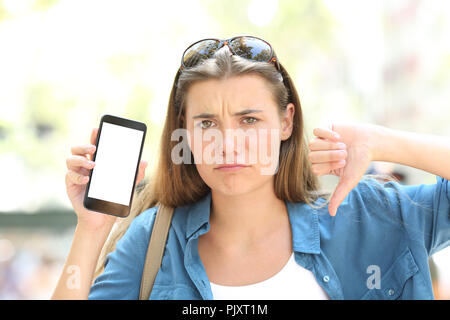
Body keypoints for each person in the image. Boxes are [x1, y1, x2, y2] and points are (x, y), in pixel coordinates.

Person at [52, 36, 450, 300]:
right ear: (185, 134)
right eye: (206, 123)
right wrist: (91, 230)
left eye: (249, 120)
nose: (228, 144)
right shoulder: (154, 240)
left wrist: (384, 141)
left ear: (287, 121)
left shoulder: (369, 218)